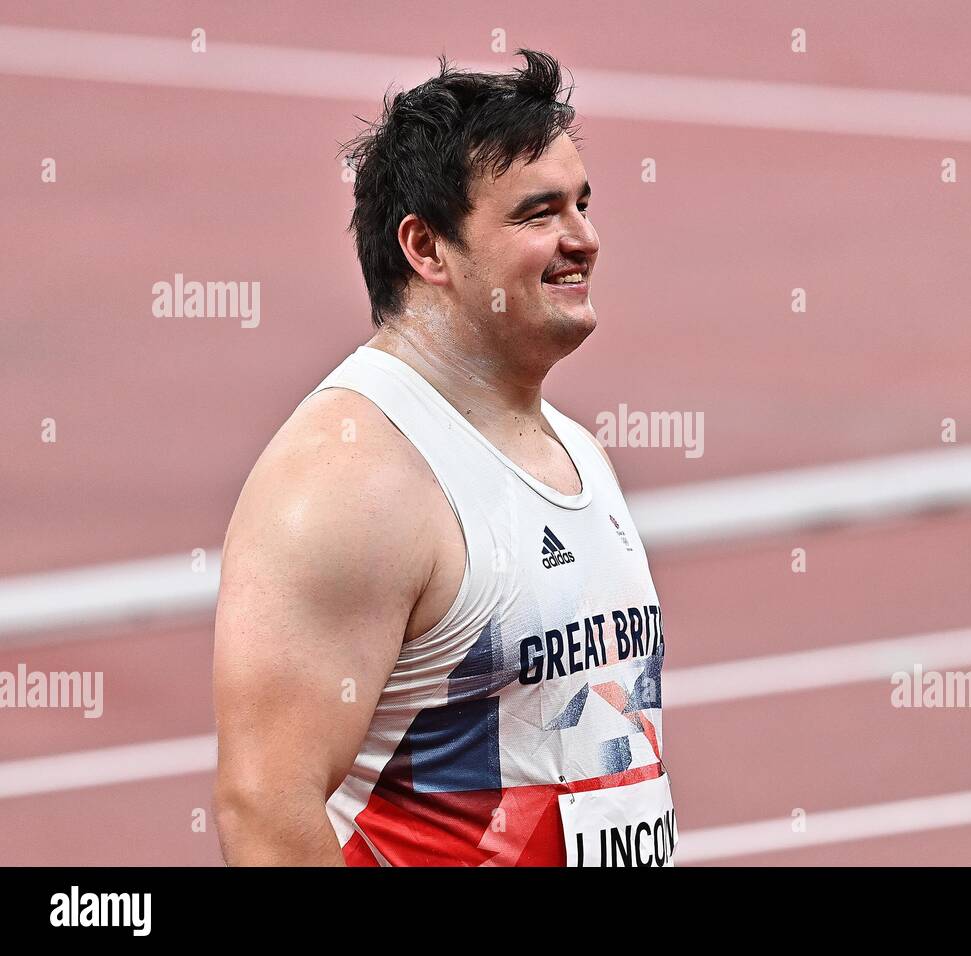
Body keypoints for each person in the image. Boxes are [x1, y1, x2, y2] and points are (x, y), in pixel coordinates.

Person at [212, 50, 674, 867]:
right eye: (539, 215)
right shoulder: (348, 478)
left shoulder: (576, 451)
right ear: (427, 248)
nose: (584, 239)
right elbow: (264, 810)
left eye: (583, 204)